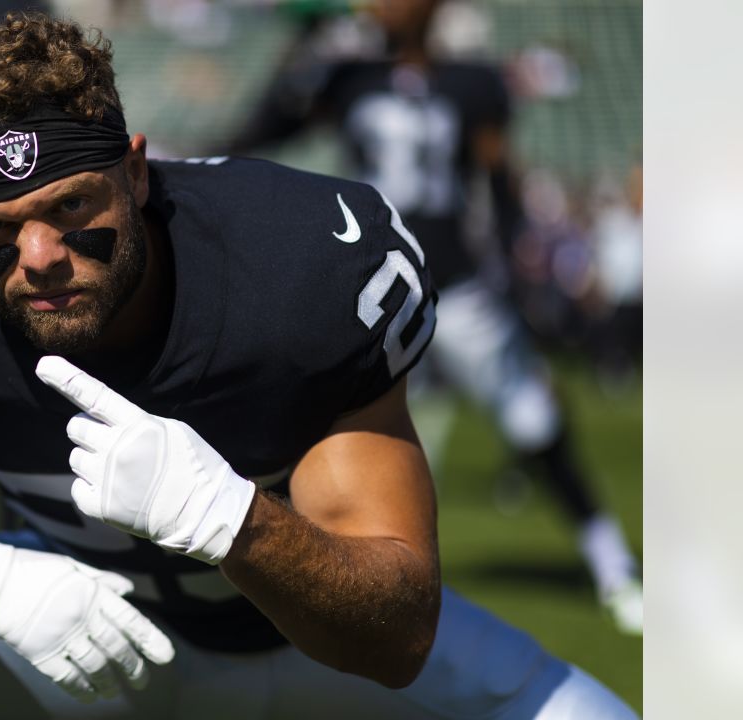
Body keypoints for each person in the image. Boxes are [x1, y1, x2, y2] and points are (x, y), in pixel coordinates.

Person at [0, 13, 636, 719]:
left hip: (307, 644)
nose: (38, 256)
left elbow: (395, 635)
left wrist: (230, 518)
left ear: (138, 174)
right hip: (75, 635)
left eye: (72, 208)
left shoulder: (302, 265)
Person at [223, 0, 642, 634]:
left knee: (532, 419)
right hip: (368, 284)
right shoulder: (346, 75)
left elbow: (498, 183)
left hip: (457, 283)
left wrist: (519, 279)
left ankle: (611, 561)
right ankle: (299, 571)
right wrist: (304, 55)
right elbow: (271, 123)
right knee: (307, 420)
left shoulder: (473, 82)